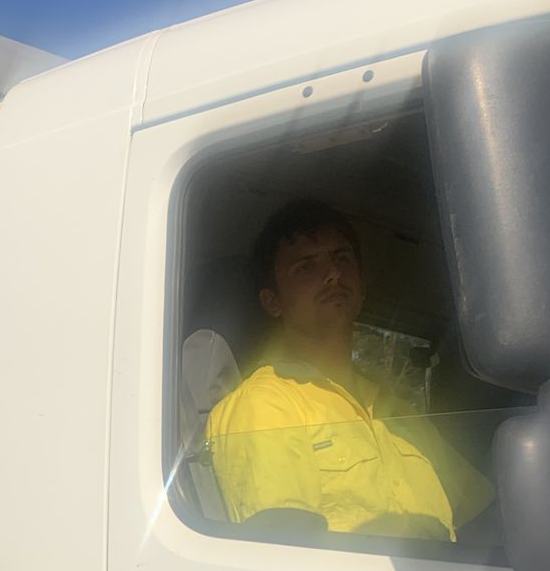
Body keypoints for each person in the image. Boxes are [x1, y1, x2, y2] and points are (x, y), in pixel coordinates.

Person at [206, 199, 491, 542]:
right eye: (306, 267)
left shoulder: (397, 410)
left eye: (342, 259)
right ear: (273, 302)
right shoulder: (264, 403)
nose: (333, 274)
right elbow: (285, 556)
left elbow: (482, 520)